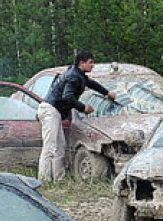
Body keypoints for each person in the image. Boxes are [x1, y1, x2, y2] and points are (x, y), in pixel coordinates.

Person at [36, 50, 116, 182]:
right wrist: (83, 107)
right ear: (81, 63)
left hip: (55, 111)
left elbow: (91, 83)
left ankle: (59, 179)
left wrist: (107, 93)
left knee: (60, 147)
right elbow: (67, 97)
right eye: (90, 62)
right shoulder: (73, 76)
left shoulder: (78, 74)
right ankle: (43, 180)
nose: (93, 65)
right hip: (50, 110)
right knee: (50, 147)